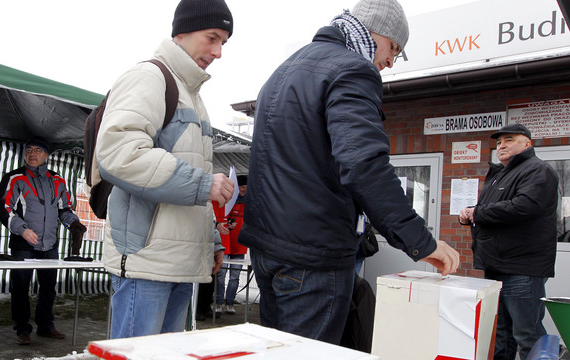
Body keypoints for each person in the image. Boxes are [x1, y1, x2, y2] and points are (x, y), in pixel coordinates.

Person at [238, 0, 460, 344]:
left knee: (276, 352)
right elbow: (364, 164)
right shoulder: (352, 69)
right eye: (393, 48)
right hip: (313, 255)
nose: (389, 61)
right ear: (376, 34)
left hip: (268, 247)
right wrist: (420, 241)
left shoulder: (285, 69)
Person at [95, 0, 235, 339]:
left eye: (224, 43)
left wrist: (212, 240)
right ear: (182, 32)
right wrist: (204, 184)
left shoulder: (193, 97)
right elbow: (119, 153)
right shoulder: (148, 77)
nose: (218, 52)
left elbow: (191, 173)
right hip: (146, 261)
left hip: (180, 261)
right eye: (212, 38)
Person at [459, 123, 559, 360]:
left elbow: (524, 206)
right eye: (498, 142)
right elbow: (492, 210)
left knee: (527, 334)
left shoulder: (538, 170)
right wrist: (471, 213)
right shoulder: (499, 174)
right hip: (497, 266)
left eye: (509, 139)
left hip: (521, 269)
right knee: (501, 333)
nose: (502, 145)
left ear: (527, 143)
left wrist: (478, 213)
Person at [0, 137, 87, 345]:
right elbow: (3, 207)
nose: (32, 154)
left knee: (48, 287)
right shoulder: (15, 178)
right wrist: (22, 230)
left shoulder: (57, 180)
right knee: (20, 286)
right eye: (29, 150)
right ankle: (22, 328)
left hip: (50, 245)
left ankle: (45, 326)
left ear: (46, 155)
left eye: (37, 150)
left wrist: (73, 224)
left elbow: (64, 209)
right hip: (22, 244)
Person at [215, 175, 248, 315]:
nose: (244, 190)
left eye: (246, 187)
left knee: (235, 277)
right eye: (241, 187)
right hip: (226, 244)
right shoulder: (227, 202)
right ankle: (217, 303)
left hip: (240, 246)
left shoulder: (249, 203)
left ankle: (229, 303)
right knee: (221, 275)